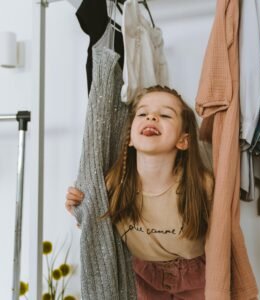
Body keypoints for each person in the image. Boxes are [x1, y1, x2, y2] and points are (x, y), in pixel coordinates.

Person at [65, 85, 214, 299]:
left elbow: (223, 238)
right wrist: (77, 207)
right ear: (131, 139)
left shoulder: (202, 184)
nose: (151, 117)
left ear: (183, 140)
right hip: (141, 275)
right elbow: (94, 227)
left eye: (164, 115)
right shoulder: (112, 185)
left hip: (198, 276)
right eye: (143, 113)